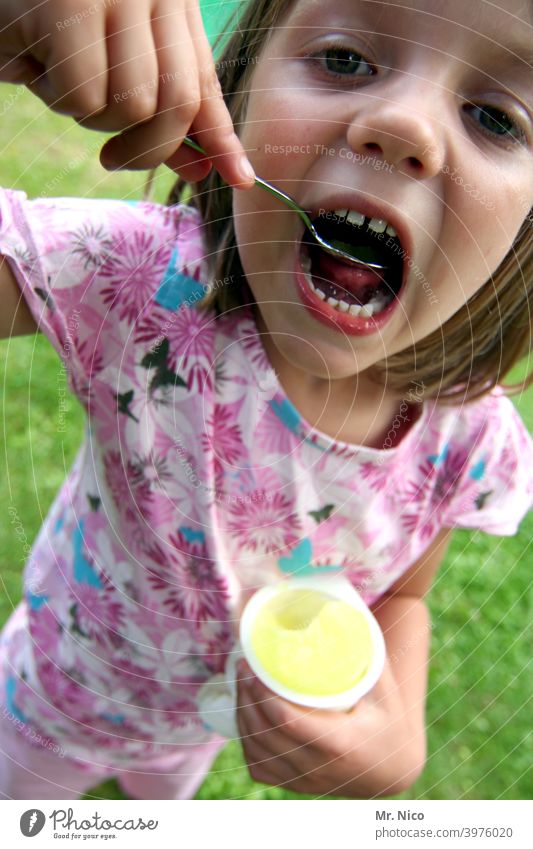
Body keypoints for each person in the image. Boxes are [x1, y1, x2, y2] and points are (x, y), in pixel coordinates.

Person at [0, 0, 532, 800]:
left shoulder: (466, 437)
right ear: (232, 101)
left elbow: (407, 593)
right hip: (54, 691)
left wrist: (398, 732)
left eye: (494, 117)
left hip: (197, 731)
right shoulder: (141, 284)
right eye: (344, 59)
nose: (401, 126)